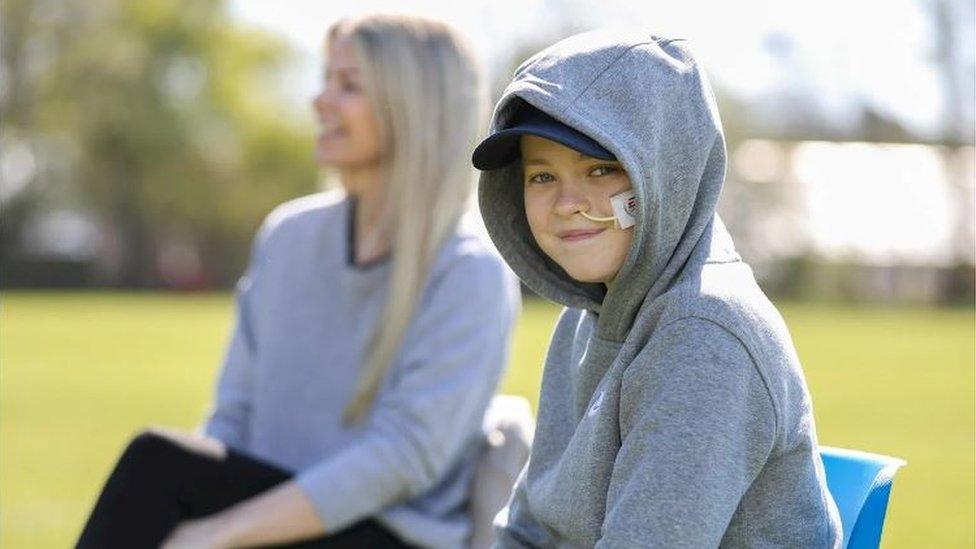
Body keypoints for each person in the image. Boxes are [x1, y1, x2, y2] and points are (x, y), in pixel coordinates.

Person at [76, 14, 520, 549]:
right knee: (162, 468)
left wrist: (218, 533)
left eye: (348, 85)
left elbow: (403, 458)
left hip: (385, 534)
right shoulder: (288, 236)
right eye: (325, 79)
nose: (319, 101)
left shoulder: (469, 272)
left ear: (413, 107)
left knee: (156, 465)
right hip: (270, 513)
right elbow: (232, 418)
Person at [472, 30, 843, 548]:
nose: (566, 202)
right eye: (541, 176)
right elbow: (527, 527)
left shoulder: (705, 334)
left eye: (601, 168)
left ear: (666, 170)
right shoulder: (584, 317)